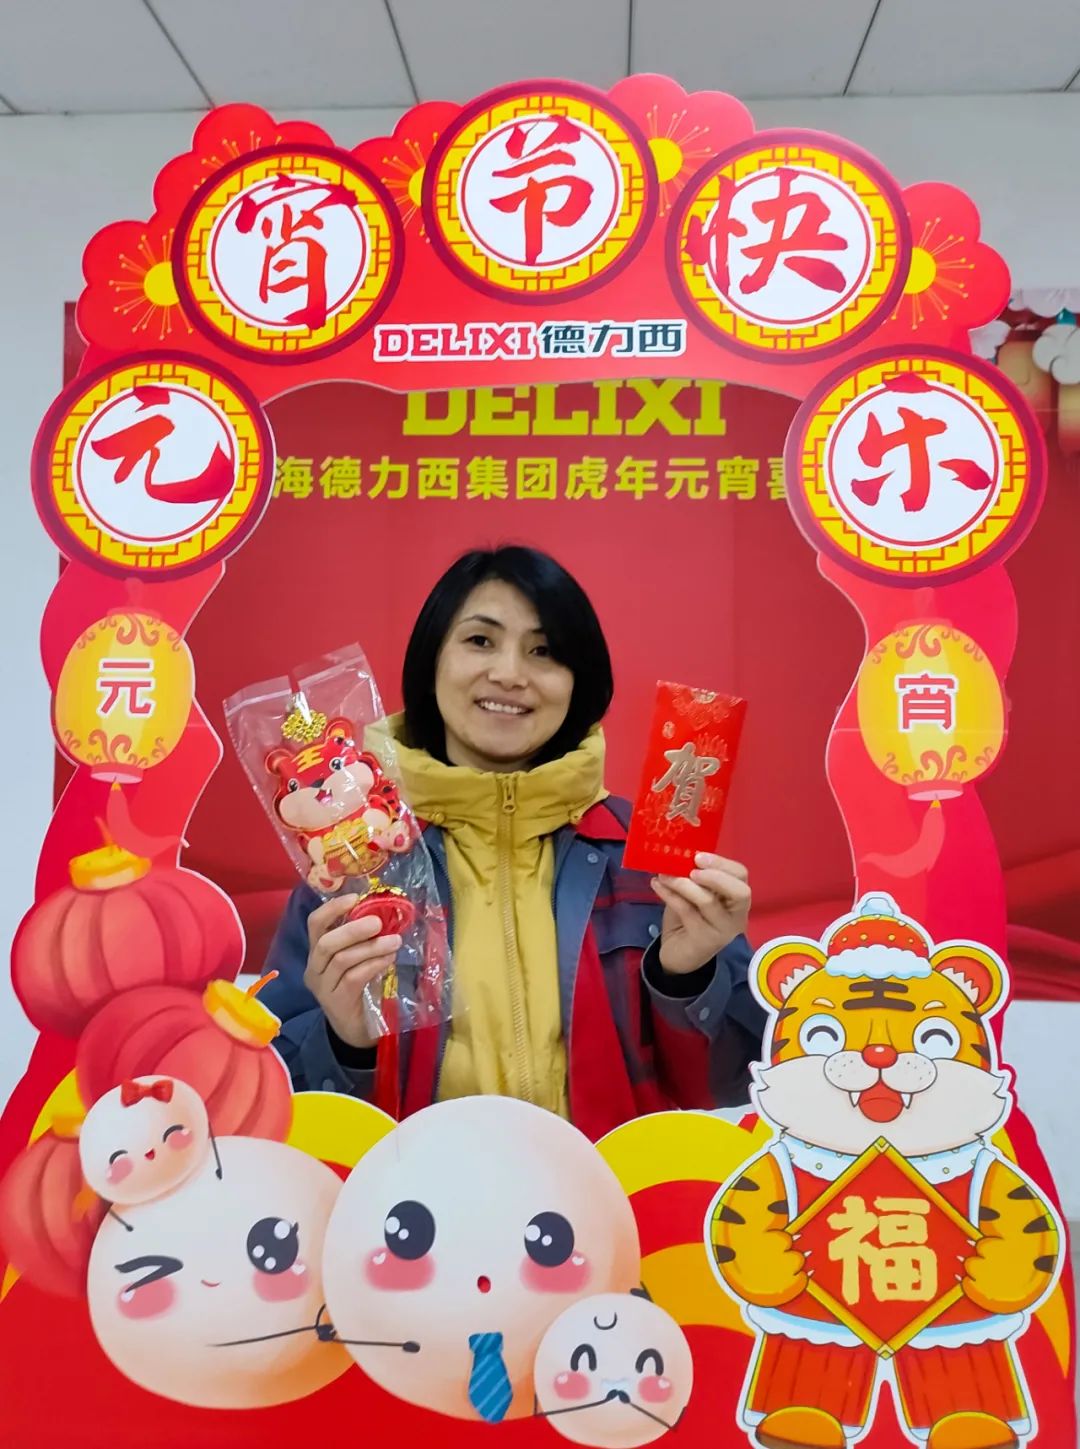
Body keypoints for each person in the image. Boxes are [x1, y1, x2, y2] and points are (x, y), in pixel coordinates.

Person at [262, 546, 765, 1140]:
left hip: (608, 1192)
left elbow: (738, 1082)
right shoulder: (357, 860)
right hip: (412, 1194)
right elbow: (273, 1094)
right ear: (431, 660)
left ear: (578, 682)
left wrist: (687, 977)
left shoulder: (642, 856)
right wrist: (345, 1041)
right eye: (480, 641)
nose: (509, 674)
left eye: (544, 651)